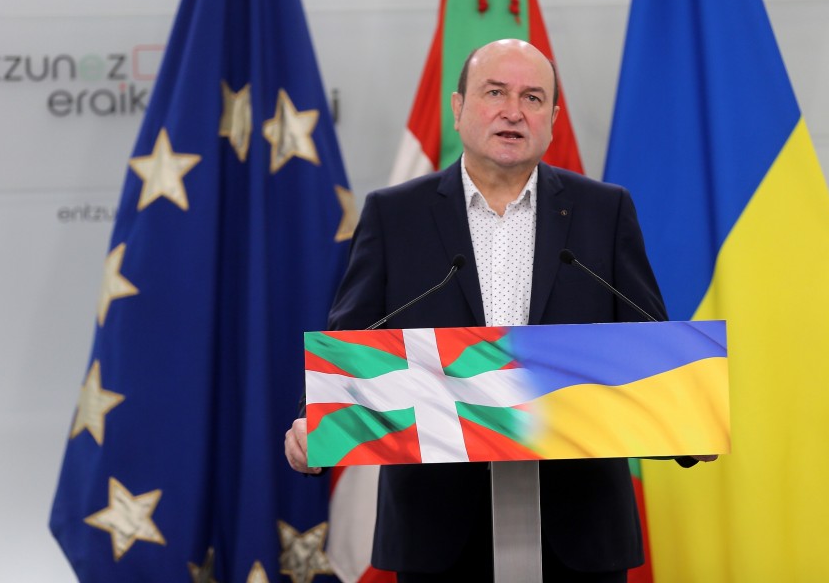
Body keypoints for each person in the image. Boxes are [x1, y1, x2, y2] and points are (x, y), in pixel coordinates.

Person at [285, 39, 711, 582]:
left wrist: (689, 424)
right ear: (458, 108)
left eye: (533, 98)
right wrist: (315, 420)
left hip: (579, 527)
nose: (513, 111)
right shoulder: (395, 215)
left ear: (552, 119)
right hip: (437, 528)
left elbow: (647, 339)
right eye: (495, 93)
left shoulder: (604, 211)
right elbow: (353, 337)